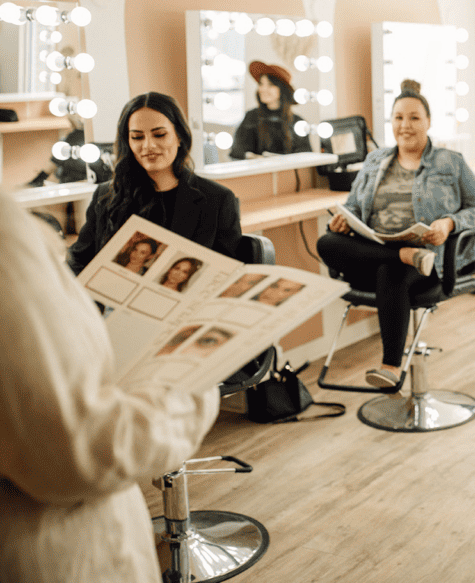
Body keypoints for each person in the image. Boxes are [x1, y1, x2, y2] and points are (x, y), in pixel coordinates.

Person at [0, 190, 220, 581]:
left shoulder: (212, 199)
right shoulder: (13, 240)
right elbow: (73, 449)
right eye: (136, 135)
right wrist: (194, 384)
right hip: (55, 554)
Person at [316, 79, 475, 388]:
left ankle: (390, 367)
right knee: (326, 242)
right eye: (398, 118)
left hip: (428, 264)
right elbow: (354, 205)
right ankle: (403, 255)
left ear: (428, 122)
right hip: (377, 251)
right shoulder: (374, 160)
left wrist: (448, 223)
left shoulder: (450, 162)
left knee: (391, 270)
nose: (404, 126)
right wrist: (344, 220)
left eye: (413, 118)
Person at [68, 92, 242, 276]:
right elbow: (78, 260)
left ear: (179, 137)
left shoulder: (217, 199)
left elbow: (229, 272)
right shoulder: (106, 196)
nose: (148, 145)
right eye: (137, 137)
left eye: (159, 135)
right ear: (128, 142)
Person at [229, 61, 311, 160]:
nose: (263, 89)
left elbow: (306, 155)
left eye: (270, 85)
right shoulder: (251, 117)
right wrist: (253, 157)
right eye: (261, 84)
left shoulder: (297, 122)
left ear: (282, 89)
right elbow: (237, 150)